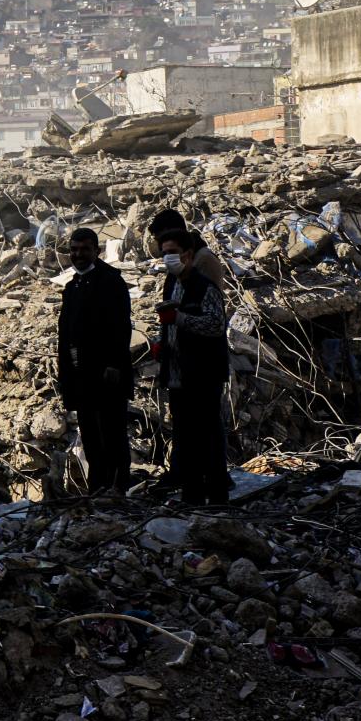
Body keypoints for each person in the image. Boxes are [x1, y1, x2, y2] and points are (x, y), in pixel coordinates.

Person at [155, 228, 232, 505]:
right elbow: (169, 320)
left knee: (208, 439)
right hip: (178, 375)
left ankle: (218, 499)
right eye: (164, 253)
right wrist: (161, 345)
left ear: (188, 254)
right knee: (185, 440)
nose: (168, 259)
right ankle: (193, 498)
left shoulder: (204, 287)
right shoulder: (172, 283)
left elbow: (215, 324)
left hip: (203, 375)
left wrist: (180, 319)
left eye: (173, 253)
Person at [56, 227, 133, 494]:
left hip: (106, 372)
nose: (78, 255)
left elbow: (121, 327)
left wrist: (114, 364)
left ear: (96, 251)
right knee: (90, 432)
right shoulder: (72, 286)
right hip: (81, 375)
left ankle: (118, 484)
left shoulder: (111, 281)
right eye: (74, 250)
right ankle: (97, 486)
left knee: (112, 430)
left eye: (84, 249)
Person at [149, 208, 226, 291]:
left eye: (162, 238)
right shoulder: (177, 262)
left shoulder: (204, 259)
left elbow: (208, 296)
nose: (161, 244)